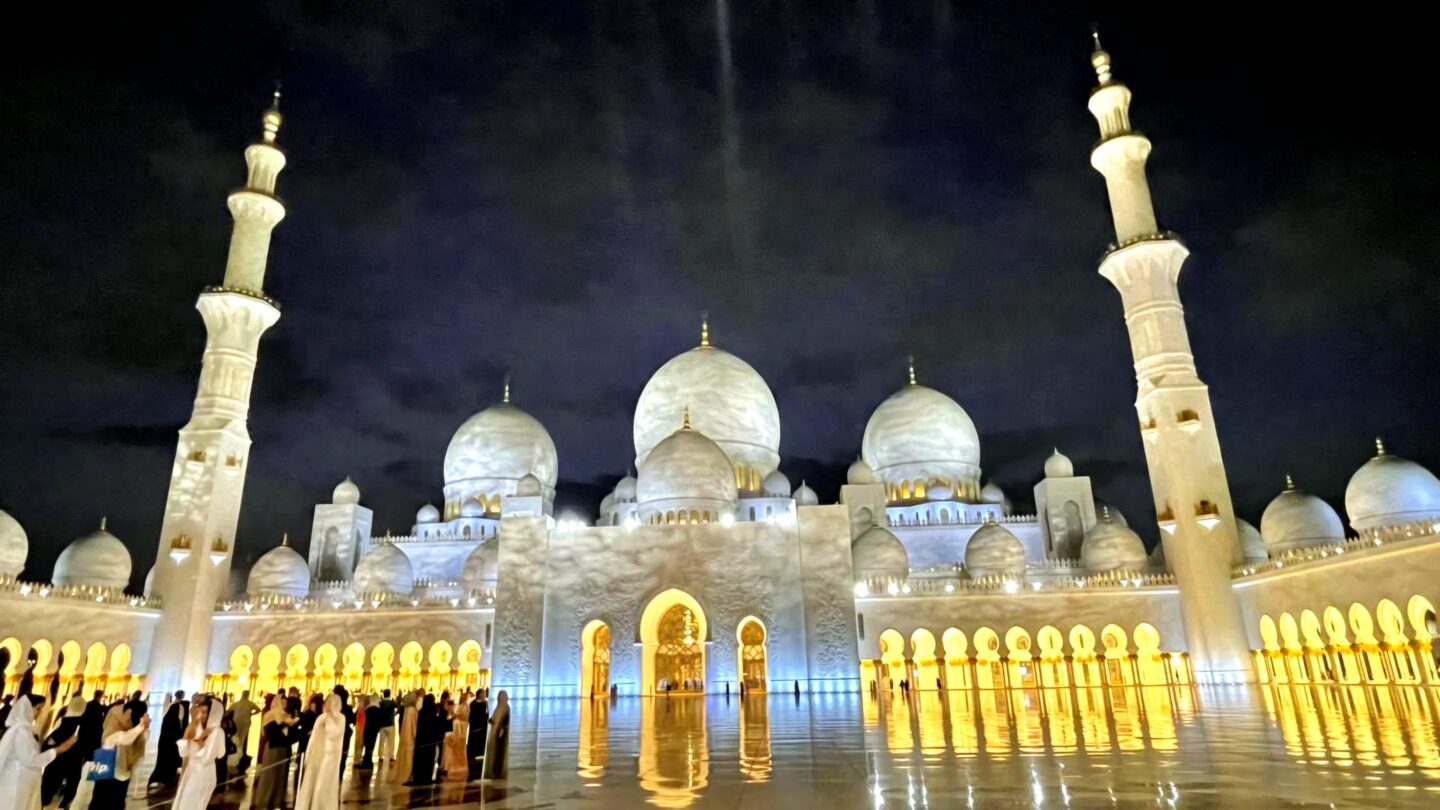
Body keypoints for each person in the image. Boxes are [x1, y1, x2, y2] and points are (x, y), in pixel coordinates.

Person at [0, 695, 78, 809]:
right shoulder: (21, 731)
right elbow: (30, 759)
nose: (39, 712)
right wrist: (58, 750)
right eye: (38, 709)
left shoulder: (25, 730)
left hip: (22, 782)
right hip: (17, 784)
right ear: (27, 709)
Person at [88, 700, 148, 810]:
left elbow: (138, 744)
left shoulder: (132, 725)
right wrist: (140, 727)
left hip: (120, 772)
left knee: (114, 801)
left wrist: (141, 728)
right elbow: (121, 739)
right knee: (101, 800)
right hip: (107, 769)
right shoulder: (114, 721)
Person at [172, 696, 225, 810]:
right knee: (182, 803)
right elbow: (183, 753)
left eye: (206, 712)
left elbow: (207, 758)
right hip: (191, 771)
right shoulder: (197, 727)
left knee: (192, 805)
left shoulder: (217, 732)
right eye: (201, 711)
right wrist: (189, 732)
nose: (203, 715)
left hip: (203, 774)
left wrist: (200, 740)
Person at [294, 694, 344, 810]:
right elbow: (313, 737)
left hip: (330, 756)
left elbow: (334, 734)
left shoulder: (340, 718)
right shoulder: (321, 717)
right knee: (311, 781)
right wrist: (309, 753)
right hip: (317, 754)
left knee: (323, 784)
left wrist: (329, 718)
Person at [40, 695, 87, 807]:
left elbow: (52, 739)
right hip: (75, 761)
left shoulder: (63, 720)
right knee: (69, 790)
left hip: (58, 759)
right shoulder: (86, 723)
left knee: (48, 790)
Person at [252, 696, 296, 809]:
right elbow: (270, 732)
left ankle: (276, 801)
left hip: (283, 748)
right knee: (268, 775)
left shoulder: (286, 715)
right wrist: (285, 724)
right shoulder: (270, 715)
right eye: (282, 701)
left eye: (285, 702)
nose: (284, 704)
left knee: (279, 776)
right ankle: (263, 802)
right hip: (273, 747)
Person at [148, 689, 188, 788]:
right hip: (173, 738)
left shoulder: (170, 706)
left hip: (165, 738)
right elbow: (181, 723)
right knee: (171, 759)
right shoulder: (179, 707)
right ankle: (168, 779)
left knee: (164, 758)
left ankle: (161, 778)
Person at [404, 694, 440, 786]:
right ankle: (427, 778)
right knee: (428, 761)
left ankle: (418, 777)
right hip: (430, 741)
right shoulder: (433, 712)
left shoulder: (421, 712)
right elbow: (436, 726)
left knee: (420, 760)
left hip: (421, 741)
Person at [480, 691, 509, 781]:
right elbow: (494, 718)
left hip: (501, 733)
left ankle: (498, 772)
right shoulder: (497, 707)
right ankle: (494, 771)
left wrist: (501, 728)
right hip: (494, 732)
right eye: (500, 696)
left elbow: (505, 721)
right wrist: (491, 720)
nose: (501, 698)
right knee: (494, 752)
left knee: (500, 753)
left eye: (503, 696)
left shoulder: (506, 708)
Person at [390, 690, 417, 784]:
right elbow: (414, 725)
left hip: (404, 736)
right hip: (410, 738)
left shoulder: (406, 709)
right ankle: (408, 775)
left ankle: (402, 773)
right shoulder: (413, 710)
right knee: (409, 757)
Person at [229, 690, 259, 773]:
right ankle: (238, 757)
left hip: (236, 722)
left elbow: (229, 710)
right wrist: (251, 714)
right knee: (241, 740)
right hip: (245, 723)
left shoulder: (237, 704)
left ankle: (235, 758)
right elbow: (258, 709)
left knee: (235, 739)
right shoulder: (250, 704)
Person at [465, 690, 488, 782]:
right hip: (475, 727)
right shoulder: (473, 704)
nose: (484, 695)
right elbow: (471, 716)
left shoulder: (485, 704)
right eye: (483, 694)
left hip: (482, 727)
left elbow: (486, 714)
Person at [444, 695, 467, 777]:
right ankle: (447, 765)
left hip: (459, 731)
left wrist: (455, 715)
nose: (461, 699)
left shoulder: (465, 707)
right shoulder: (457, 706)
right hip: (453, 730)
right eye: (461, 697)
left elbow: (464, 717)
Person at [374, 690, 396, 763]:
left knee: (381, 741)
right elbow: (397, 708)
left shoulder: (380, 703)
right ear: (389, 695)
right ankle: (391, 756)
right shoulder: (392, 703)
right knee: (391, 742)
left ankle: (380, 756)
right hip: (390, 724)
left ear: (383, 695)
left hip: (382, 724)